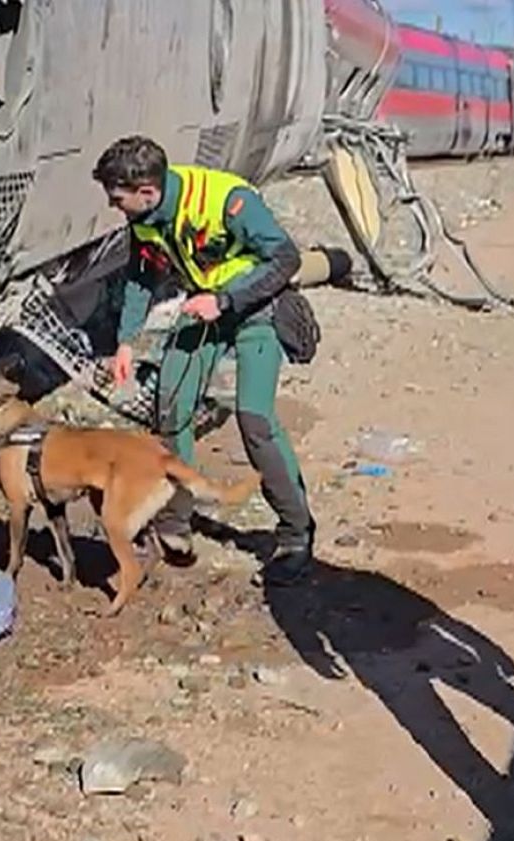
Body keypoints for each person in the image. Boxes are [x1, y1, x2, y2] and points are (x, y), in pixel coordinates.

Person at [93, 136, 315, 586]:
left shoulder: (226, 200)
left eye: (118, 199)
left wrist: (225, 300)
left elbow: (285, 258)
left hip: (256, 308)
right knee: (171, 409)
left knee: (255, 418)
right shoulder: (145, 217)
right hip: (203, 307)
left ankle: (296, 533)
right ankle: (173, 527)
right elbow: (140, 276)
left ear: (147, 191)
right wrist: (126, 342)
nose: (114, 208)